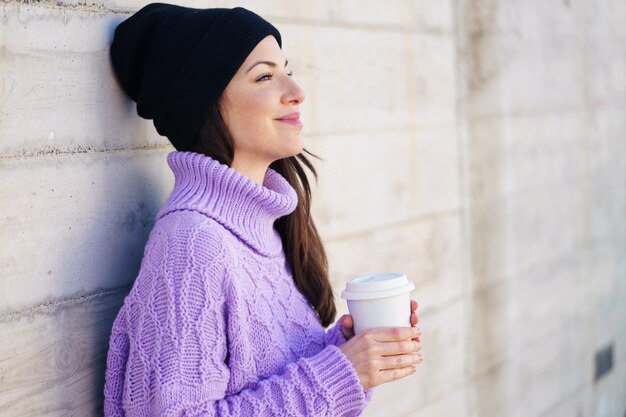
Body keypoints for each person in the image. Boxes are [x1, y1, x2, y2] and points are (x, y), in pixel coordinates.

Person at [104, 3, 423, 416]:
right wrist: (342, 373)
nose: (296, 91)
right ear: (206, 104)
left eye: (286, 70)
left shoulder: (265, 228)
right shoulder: (192, 243)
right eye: (265, 76)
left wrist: (354, 352)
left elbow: (268, 379)